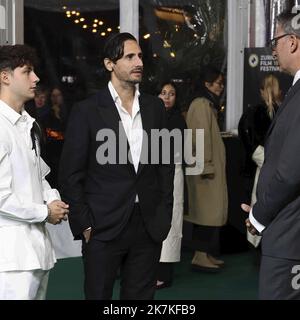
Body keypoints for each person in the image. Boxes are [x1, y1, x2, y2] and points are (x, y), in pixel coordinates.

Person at [59, 32, 174, 300]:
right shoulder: (87, 110)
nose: (139, 63)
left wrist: (164, 212)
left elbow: (165, 165)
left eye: (140, 56)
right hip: (102, 226)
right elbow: (70, 174)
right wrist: (84, 224)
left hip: (148, 223)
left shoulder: (155, 107)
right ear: (110, 64)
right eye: (129, 56)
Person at [0, 44, 69, 300]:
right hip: (9, 259)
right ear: (5, 77)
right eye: (27, 71)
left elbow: (39, 175)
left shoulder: (28, 123)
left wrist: (52, 198)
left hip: (36, 252)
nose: (36, 78)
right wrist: (45, 211)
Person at [242, 10, 300, 299]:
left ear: (292, 42)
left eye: (274, 40)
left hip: (290, 239)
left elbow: (291, 172)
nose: (272, 48)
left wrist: (258, 216)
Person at [184, 66, 228, 272]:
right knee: (205, 214)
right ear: (207, 84)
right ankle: (199, 256)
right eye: (218, 83)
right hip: (204, 172)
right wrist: (207, 165)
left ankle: (204, 253)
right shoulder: (201, 105)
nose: (221, 87)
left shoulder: (207, 104)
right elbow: (199, 139)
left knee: (209, 214)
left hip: (207, 170)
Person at [239, 74, 282, 248]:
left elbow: (247, 139)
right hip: (278, 167)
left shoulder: (254, 113)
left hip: (265, 167)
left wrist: (263, 159)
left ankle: (259, 240)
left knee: (260, 202)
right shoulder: (284, 111)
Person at [156, 81, 187, 289]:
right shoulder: (149, 116)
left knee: (171, 221)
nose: (167, 97)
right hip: (151, 176)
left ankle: (164, 274)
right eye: (163, 93)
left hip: (172, 174)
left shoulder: (178, 121)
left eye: (172, 94)